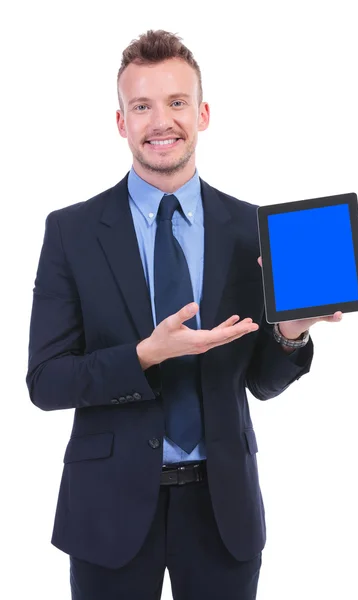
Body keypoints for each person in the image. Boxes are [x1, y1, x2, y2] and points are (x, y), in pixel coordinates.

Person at [26, 29, 342, 600]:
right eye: (141, 106)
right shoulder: (70, 232)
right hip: (108, 509)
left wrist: (290, 334)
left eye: (175, 103)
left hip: (222, 509)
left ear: (202, 112)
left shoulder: (251, 229)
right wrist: (147, 355)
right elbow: (46, 383)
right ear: (121, 122)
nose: (161, 121)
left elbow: (263, 384)